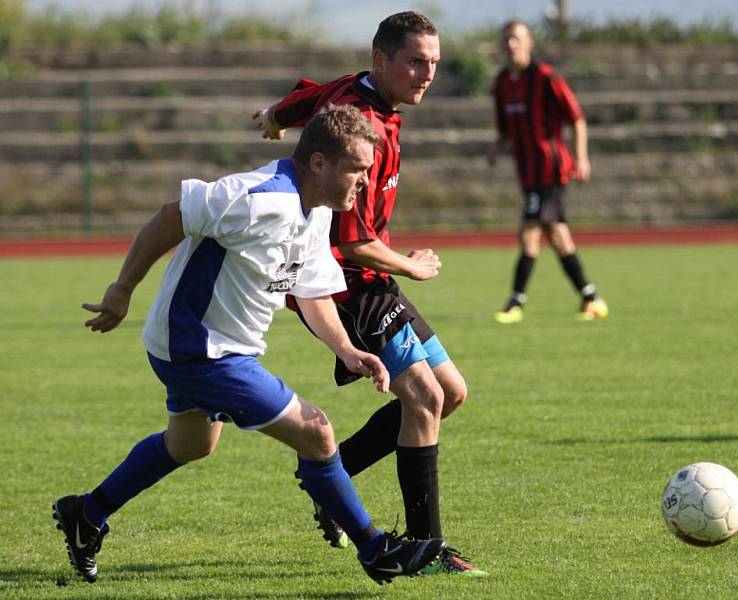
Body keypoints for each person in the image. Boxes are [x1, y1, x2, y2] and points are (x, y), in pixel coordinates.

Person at [51, 105, 445, 586]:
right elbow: (169, 217)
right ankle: (375, 548)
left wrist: (347, 349)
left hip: (213, 347)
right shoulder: (259, 197)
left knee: (190, 444)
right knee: (317, 432)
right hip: (202, 349)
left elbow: (312, 290)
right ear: (318, 163)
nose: (364, 181)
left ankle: (86, 514)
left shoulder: (319, 210)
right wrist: (123, 287)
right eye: (357, 169)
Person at [252, 12, 485, 576]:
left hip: (369, 281)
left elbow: (309, 98)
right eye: (414, 62)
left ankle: (329, 479)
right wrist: (412, 265)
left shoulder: (352, 92)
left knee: (450, 394)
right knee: (426, 399)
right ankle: (428, 549)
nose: (426, 73)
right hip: (342, 283)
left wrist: (273, 117)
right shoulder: (362, 127)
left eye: (433, 62)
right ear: (380, 59)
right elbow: (354, 243)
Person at [487, 20, 609, 324]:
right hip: (527, 173)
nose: (511, 45)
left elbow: (576, 118)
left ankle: (515, 302)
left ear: (529, 44)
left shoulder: (545, 77)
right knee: (557, 236)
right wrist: (496, 146)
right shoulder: (502, 82)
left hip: (551, 169)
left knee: (529, 233)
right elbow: (504, 126)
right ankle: (591, 297)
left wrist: (581, 157)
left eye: (516, 39)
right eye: (506, 40)